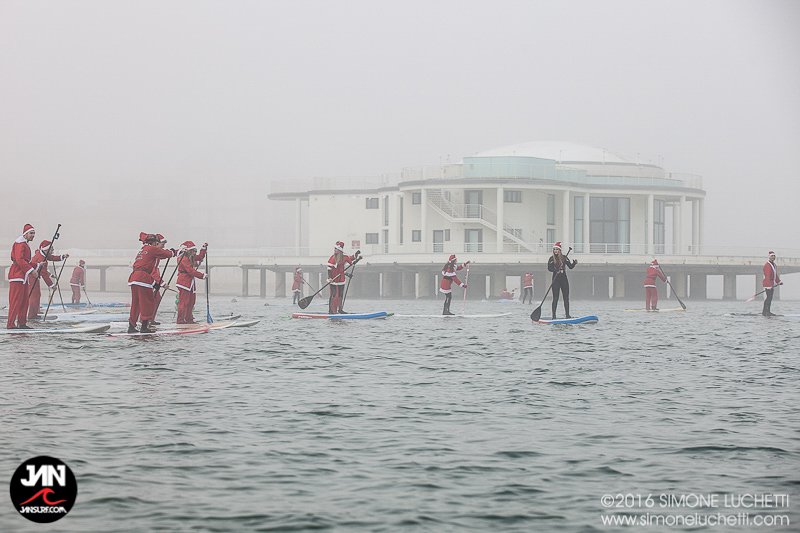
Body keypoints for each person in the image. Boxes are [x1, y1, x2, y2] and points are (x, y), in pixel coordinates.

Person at [128, 232, 176, 333]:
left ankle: (131, 327)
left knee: (135, 304)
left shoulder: (143, 249)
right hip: (142, 278)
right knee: (148, 302)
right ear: (154, 242)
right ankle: (144, 327)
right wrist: (175, 251)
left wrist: (155, 284)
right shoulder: (152, 249)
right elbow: (167, 254)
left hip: (134, 278)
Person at [28, 239, 68, 319]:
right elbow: (44, 274)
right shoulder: (42, 259)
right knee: (34, 296)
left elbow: (51, 257)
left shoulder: (43, 254)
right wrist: (52, 285)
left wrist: (62, 257)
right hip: (32, 277)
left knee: (37, 295)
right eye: (52, 248)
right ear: (47, 249)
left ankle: (35, 312)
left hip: (35, 277)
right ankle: (32, 315)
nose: (53, 250)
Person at [7, 224, 37, 329]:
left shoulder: (25, 244)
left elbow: (25, 261)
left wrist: (37, 265)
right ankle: (10, 324)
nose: (33, 235)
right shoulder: (20, 244)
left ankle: (22, 323)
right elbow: (19, 260)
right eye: (31, 233)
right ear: (25, 234)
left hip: (23, 276)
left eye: (34, 233)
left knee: (24, 301)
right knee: (15, 301)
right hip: (17, 275)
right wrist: (31, 270)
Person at [175, 241, 208, 324]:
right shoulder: (182, 258)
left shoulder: (190, 257)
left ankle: (189, 319)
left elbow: (200, 257)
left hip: (190, 282)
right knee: (184, 302)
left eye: (195, 251)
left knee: (191, 302)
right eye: (193, 251)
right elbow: (190, 271)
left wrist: (203, 249)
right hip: (184, 282)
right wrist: (202, 275)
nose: (194, 252)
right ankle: (180, 320)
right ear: (188, 250)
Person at [327, 241, 360, 314]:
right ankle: (331, 311)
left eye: (336, 249)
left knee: (341, 294)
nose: (334, 250)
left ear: (340, 250)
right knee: (334, 294)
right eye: (334, 248)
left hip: (341, 278)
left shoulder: (344, 257)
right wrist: (329, 278)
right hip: (333, 278)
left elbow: (350, 259)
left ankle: (340, 309)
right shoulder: (332, 258)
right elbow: (329, 269)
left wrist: (356, 254)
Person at [547, 241, 577, 319]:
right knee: (555, 298)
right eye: (554, 249)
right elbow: (549, 268)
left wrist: (574, 263)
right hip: (555, 280)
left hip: (564, 280)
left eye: (557, 249)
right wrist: (555, 269)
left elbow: (570, 266)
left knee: (566, 298)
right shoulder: (551, 259)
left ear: (560, 250)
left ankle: (567, 315)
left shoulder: (564, 257)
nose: (555, 251)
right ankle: (554, 316)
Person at [150, 235, 168, 324]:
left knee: (157, 298)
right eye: (162, 244)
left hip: (154, 282)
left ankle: (151, 319)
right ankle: (145, 319)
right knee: (150, 300)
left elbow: (164, 255)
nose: (164, 246)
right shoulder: (152, 253)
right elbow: (152, 272)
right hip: (149, 281)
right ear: (157, 243)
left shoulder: (157, 254)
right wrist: (163, 283)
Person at [762, 250, 782, 317]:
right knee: (769, 298)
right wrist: (769, 285)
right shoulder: (767, 265)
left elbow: (775, 274)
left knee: (769, 298)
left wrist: (778, 281)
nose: (773, 257)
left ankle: (766, 311)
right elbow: (767, 276)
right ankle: (766, 312)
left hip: (771, 284)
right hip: (768, 284)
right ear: (769, 257)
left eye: (774, 256)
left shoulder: (774, 265)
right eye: (772, 256)